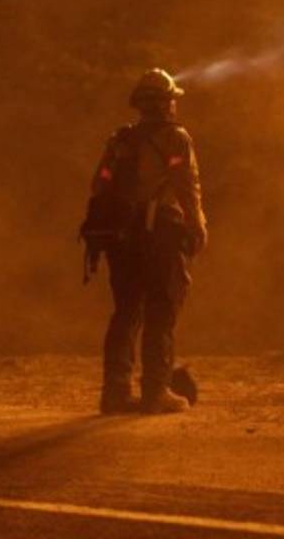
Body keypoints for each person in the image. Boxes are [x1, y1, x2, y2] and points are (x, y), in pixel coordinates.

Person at [82, 68, 207, 415]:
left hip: (122, 237)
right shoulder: (175, 139)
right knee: (161, 312)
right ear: (167, 103)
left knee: (126, 312)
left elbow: (99, 184)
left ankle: (115, 392)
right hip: (160, 232)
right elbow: (187, 185)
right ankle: (156, 392)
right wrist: (197, 226)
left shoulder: (120, 139)